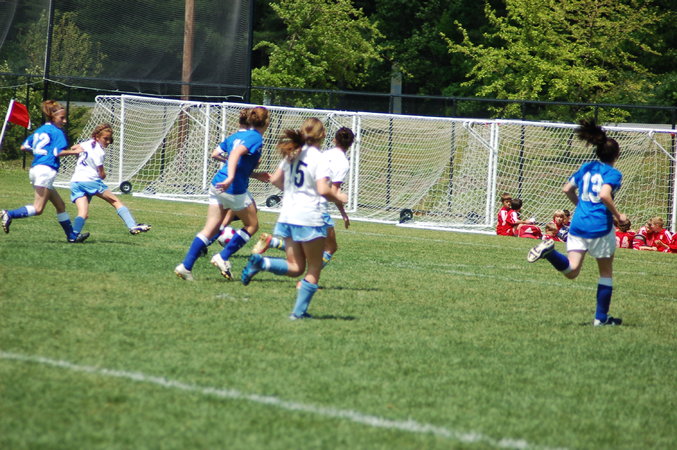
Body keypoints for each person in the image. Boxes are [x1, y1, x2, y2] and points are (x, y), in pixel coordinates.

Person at [240, 118, 348, 320]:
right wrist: (339, 197)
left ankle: (262, 263)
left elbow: (275, 179)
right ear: (323, 135)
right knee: (313, 268)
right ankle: (298, 313)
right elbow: (323, 189)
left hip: (288, 216)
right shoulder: (320, 159)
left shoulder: (292, 153)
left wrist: (293, 192)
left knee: (296, 267)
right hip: (309, 217)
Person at [527, 119, 627, 326]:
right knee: (605, 272)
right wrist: (619, 216)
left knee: (572, 271)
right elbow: (604, 194)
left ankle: (550, 253)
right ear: (617, 155)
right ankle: (601, 318)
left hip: (578, 223)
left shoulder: (587, 167)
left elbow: (566, 189)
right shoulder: (613, 173)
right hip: (599, 226)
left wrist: (580, 205)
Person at [174, 106, 270, 281]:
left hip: (218, 184)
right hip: (233, 187)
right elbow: (235, 155)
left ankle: (185, 266)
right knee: (252, 225)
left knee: (211, 228)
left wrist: (255, 174)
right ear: (266, 122)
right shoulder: (255, 137)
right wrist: (231, 177)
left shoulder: (237, 136)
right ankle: (222, 256)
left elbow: (236, 161)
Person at [252, 127, 354, 269]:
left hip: (295, 205)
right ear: (351, 143)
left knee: (302, 249)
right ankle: (309, 277)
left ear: (334, 139)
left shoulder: (323, 154)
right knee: (329, 248)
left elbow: (275, 179)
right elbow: (332, 192)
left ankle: (272, 243)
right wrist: (342, 205)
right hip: (315, 207)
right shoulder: (342, 163)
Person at [1, 100, 87, 243]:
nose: (64, 121)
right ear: (53, 116)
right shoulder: (57, 132)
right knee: (38, 208)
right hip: (46, 170)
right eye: (62, 118)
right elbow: (58, 152)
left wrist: (41, 152)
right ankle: (9, 214)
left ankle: (72, 236)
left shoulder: (40, 130)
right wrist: (75, 152)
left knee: (60, 205)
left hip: (36, 169)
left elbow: (24, 146)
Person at [69, 123, 151, 237]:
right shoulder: (99, 152)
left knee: (83, 213)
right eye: (105, 138)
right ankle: (132, 226)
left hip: (76, 181)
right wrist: (103, 175)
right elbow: (102, 174)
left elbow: (73, 148)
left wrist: (80, 158)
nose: (108, 141)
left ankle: (74, 235)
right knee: (115, 201)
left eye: (110, 139)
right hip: (91, 181)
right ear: (97, 137)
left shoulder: (87, 143)